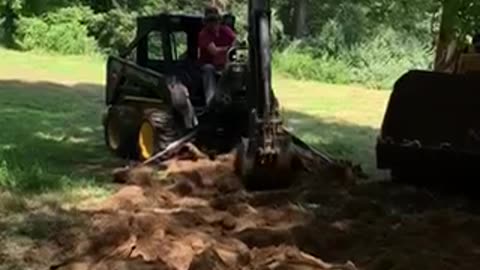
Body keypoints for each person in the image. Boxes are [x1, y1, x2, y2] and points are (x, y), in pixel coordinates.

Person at [198, 6, 236, 106]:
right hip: (209, 64)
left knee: (235, 69)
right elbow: (213, 51)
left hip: (224, 64)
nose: (213, 23)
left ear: (219, 20)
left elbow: (236, 42)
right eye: (209, 20)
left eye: (215, 20)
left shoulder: (226, 30)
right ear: (205, 22)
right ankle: (210, 102)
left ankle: (232, 99)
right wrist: (229, 48)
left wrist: (234, 47)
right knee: (208, 69)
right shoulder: (204, 34)